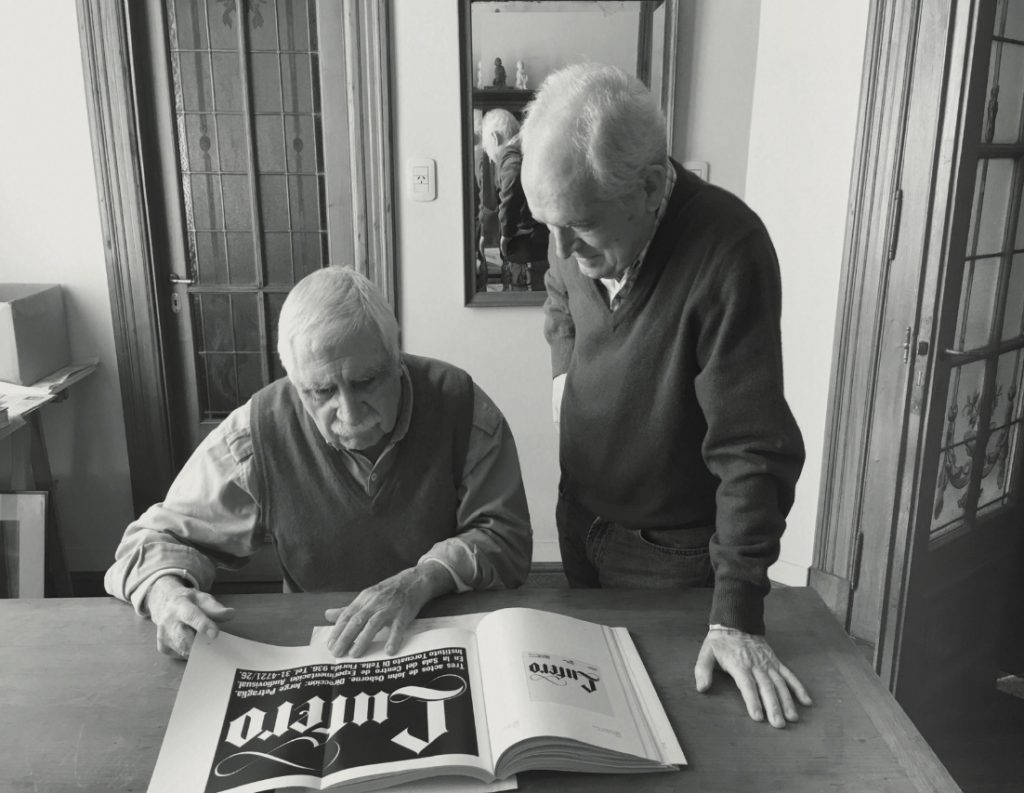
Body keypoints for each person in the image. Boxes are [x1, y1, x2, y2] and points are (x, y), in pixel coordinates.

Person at [520, 64, 812, 729]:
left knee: (677, 735)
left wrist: (737, 612)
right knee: (591, 721)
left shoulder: (728, 250)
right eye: (548, 225)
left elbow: (753, 449)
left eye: (579, 227)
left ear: (650, 187)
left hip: (670, 555)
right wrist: (569, 384)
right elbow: (559, 297)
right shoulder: (575, 230)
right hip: (580, 520)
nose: (559, 247)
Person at [105, 266, 532, 659]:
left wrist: (422, 579)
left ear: (396, 358)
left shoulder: (460, 405)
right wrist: (165, 595)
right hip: (321, 646)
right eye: (321, 392)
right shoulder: (256, 433)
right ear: (294, 382)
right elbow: (150, 542)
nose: (349, 411)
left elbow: (506, 540)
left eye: (366, 382)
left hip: (449, 633)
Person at [481, 108, 550, 291]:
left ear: (495, 138)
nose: (490, 157)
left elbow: (512, 175)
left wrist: (506, 232)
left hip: (528, 249)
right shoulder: (530, 147)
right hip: (544, 245)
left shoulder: (510, 153)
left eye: (488, 149)